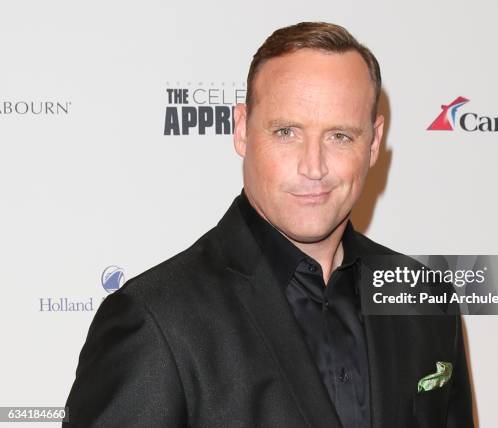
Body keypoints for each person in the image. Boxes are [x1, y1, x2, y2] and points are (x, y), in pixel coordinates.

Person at [64, 22, 474, 427]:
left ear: (373, 141)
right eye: (287, 132)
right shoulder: (157, 318)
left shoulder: (423, 299)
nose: (313, 167)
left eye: (340, 136)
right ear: (242, 129)